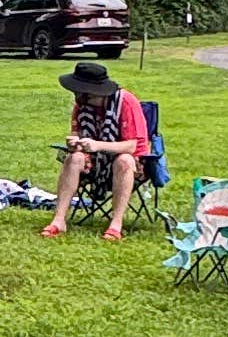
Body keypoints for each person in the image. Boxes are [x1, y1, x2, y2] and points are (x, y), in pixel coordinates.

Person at [44, 59, 152, 241]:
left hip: (132, 164)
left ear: (94, 92)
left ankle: (115, 224)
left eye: (81, 93)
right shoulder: (82, 107)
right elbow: (77, 133)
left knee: (124, 160)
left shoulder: (126, 102)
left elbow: (132, 146)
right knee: (74, 159)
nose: (77, 97)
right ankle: (59, 220)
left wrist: (98, 145)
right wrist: (75, 143)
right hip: (95, 163)